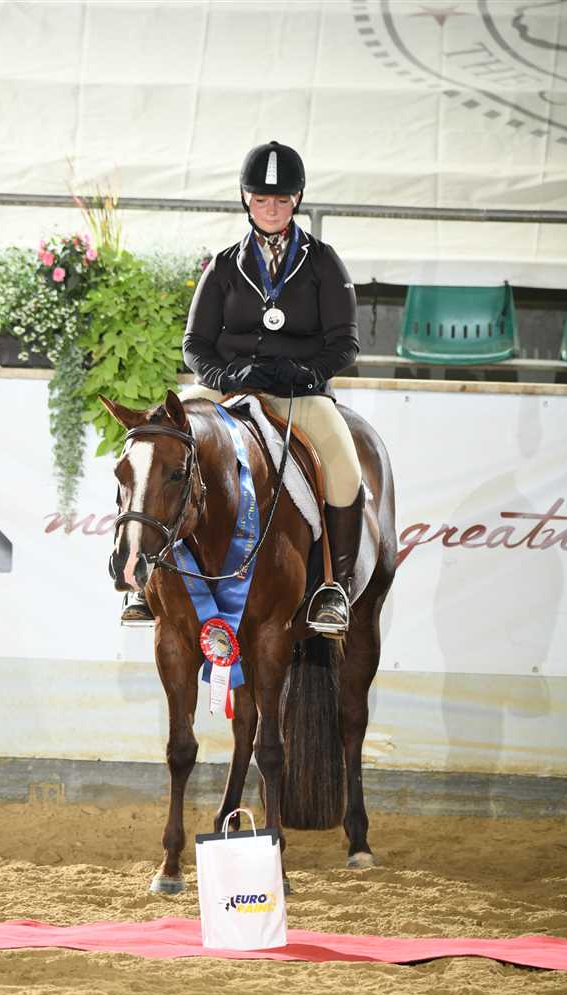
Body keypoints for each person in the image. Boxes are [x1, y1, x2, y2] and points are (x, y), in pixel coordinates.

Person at [122, 140, 363, 634]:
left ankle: (333, 587)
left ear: (297, 200)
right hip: (225, 391)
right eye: (261, 199)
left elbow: (345, 344)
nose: (270, 209)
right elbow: (195, 345)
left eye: (281, 199)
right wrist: (222, 376)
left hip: (298, 393)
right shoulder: (225, 265)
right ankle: (144, 578)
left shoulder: (323, 263)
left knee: (344, 465)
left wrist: (305, 372)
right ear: (246, 200)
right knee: (160, 442)